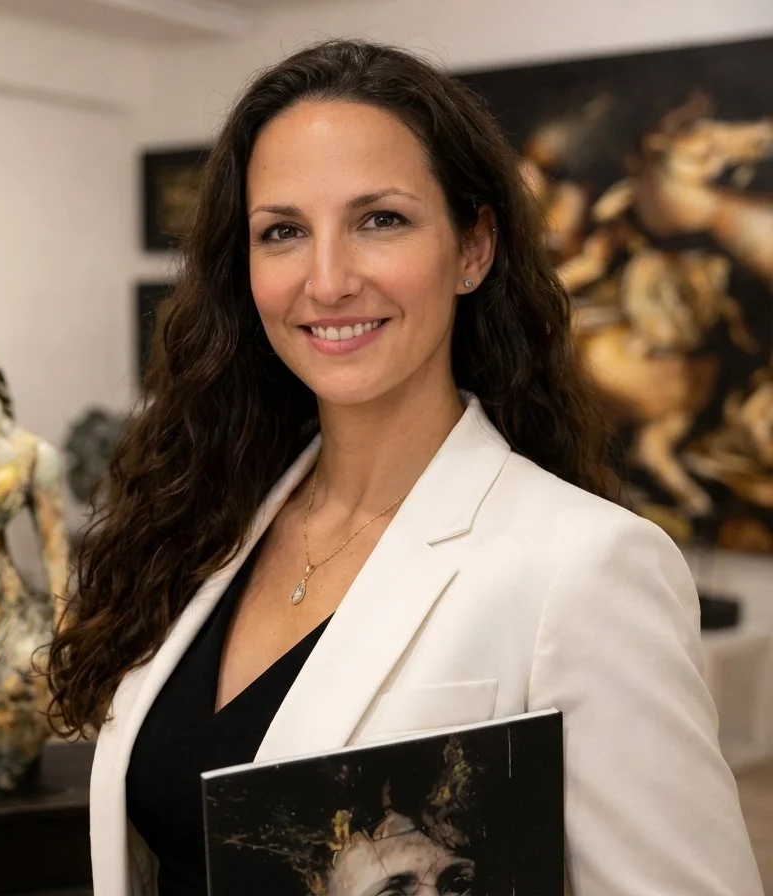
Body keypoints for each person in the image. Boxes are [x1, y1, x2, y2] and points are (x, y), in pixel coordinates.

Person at [47, 39, 762, 895]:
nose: (328, 279)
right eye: (282, 232)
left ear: (473, 249)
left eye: (379, 220)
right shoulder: (207, 522)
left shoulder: (586, 566)